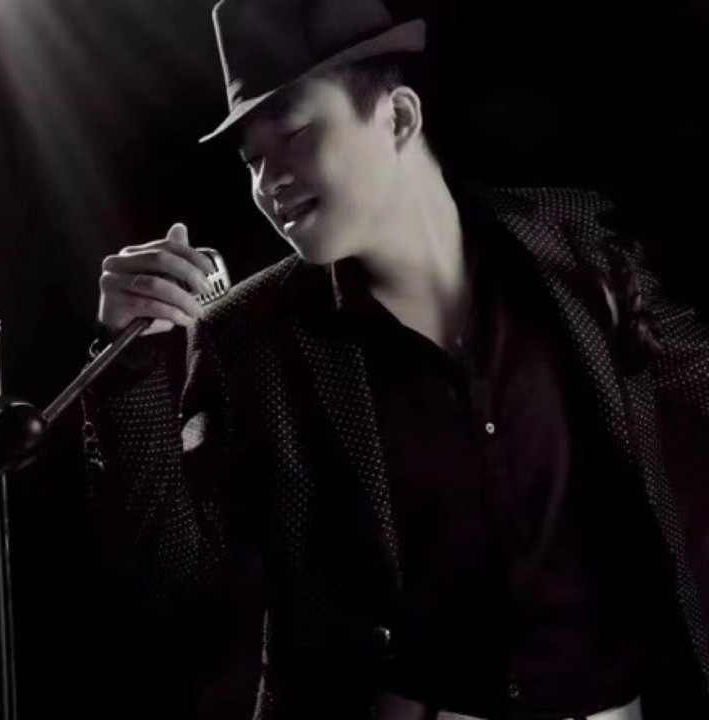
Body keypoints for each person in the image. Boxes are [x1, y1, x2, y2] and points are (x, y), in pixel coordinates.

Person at [80, 0, 709, 718]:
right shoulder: (250, 336)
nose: (267, 183)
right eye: (251, 161)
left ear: (400, 117)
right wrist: (125, 366)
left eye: (294, 133)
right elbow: (172, 580)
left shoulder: (576, 248)